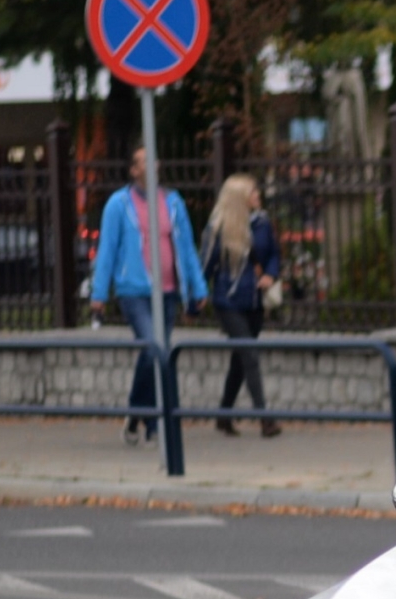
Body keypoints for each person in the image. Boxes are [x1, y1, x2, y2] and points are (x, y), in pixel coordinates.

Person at [87, 147, 209, 446]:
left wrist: (198, 287)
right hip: (135, 291)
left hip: (167, 291)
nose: (152, 165)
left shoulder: (172, 202)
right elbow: (107, 250)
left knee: (157, 352)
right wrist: (99, 293)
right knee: (155, 348)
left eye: (154, 159)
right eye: (144, 161)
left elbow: (187, 248)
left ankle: (135, 412)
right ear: (134, 170)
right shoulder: (119, 204)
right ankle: (154, 423)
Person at [201, 174, 283, 437]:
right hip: (229, 301)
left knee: (240, 359)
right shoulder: (218, 227)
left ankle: (223, 415)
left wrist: (270, 274)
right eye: (253, 192)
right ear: (239, 199)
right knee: (250, 355)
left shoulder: (262, 222)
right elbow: (205, 265)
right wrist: (197, 296)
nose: (258, 196)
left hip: (255, 300)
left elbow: (273, 254)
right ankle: (265, 419)